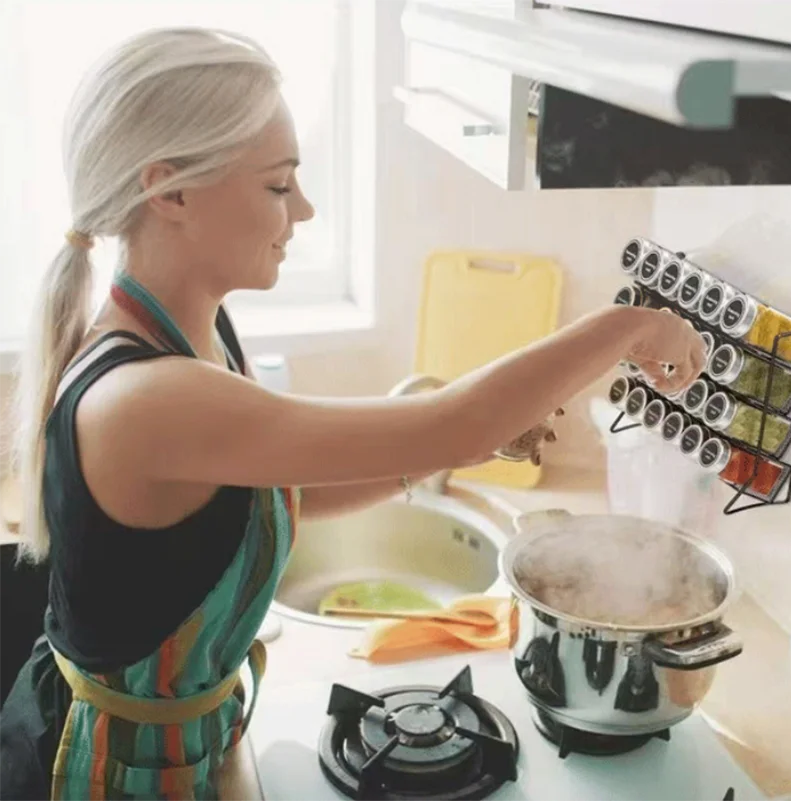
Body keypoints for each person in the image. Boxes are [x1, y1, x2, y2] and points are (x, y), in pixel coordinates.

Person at [0, 27, 706, 801]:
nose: (302, 208)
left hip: (180, 743)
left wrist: (445, 450)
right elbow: (456, 420)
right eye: (278, 185)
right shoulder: (147, 398)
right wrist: (631, 324)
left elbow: (259, 504)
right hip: (106, 772)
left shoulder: (192, 335)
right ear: (169, 191)